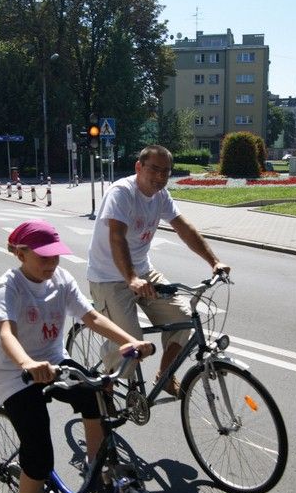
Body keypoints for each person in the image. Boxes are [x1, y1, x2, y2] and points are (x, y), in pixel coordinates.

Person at [0, 220, 153, 493]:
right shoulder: (10, 286)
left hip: (54, 361)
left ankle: (96, 469)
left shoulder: (61, 279)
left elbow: (90, 316)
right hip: (15, 374)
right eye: (43, 258)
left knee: (94, 396)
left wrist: (130, 340)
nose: (52, 265)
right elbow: (6, 332)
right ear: (21, 253)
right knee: (39, 454)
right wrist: (29, 364)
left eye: (55, 257)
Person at [87, 145, 230, 395]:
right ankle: (103, 389)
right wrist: (130, 278)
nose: (161, 177)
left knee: (184, 317)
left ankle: (165, 375)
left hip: (143, 273)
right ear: (138, 167)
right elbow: (117, 237)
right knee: (131, 341)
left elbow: (183, 227)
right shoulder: (122, 193)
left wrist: (214, 261)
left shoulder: (160, 196)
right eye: (154, 169)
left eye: (166, 172)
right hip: (109, 278)